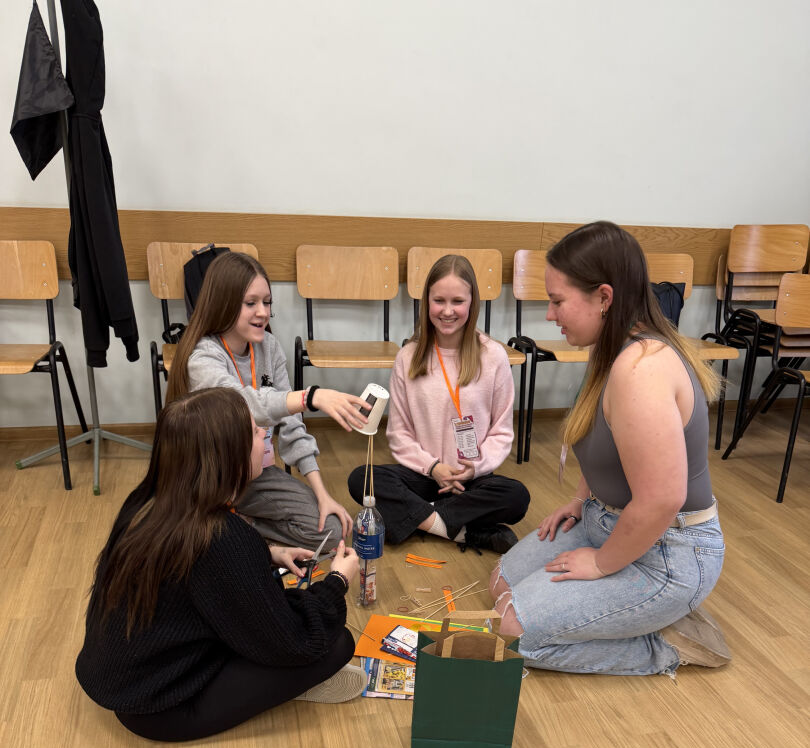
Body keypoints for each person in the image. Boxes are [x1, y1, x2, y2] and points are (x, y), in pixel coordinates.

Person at [490, 221, 730, 676]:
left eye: (557, 301)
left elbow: (662, 499)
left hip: (668, 552)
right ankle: (623, 616)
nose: (549, 315)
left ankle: (668, 645)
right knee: (501, 583)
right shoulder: (613, 348)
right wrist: (582, 499)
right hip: (607, 518)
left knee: (513, 632)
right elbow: (607, 441)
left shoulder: (641, 369)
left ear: (604, 297)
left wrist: (601, 564)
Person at [76, 388, 366, 742]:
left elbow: (191, 576)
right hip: (164, 709)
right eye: (255, 432)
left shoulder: (147, 502)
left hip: (130, 681)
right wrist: (337, 582)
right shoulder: (221, 537)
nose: (264, 433)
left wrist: (267, 554)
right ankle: (287, 688)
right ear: (230, 455)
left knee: (275, 614)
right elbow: (295, 641)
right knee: (336, 643)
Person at [166, 251, 367, 549]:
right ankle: (234, 530)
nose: (262, 312)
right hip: (209, 479)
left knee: (331, 532)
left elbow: (291, 425)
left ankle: (241, 526)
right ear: (223, 303)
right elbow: (239, 403)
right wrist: (310, 396)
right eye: (251, 303)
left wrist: (322, 494)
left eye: (267, 302)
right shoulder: (203, 356)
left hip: (255, 472)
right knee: (203, 542)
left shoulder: (269, 347)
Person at [348, 254, 529, 553]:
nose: (447, 311)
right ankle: (462, 532)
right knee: (361, 479)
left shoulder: (494, 356)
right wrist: (433, 468)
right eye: (439, 301)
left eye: (457, 301)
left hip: (470, 478)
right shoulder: (408, 357)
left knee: (517, 496)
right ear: (426, 302)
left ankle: (417, 518)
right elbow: (399, 433)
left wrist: (475, 467)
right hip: (423, 474)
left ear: (472, 303)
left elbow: (502, 431)